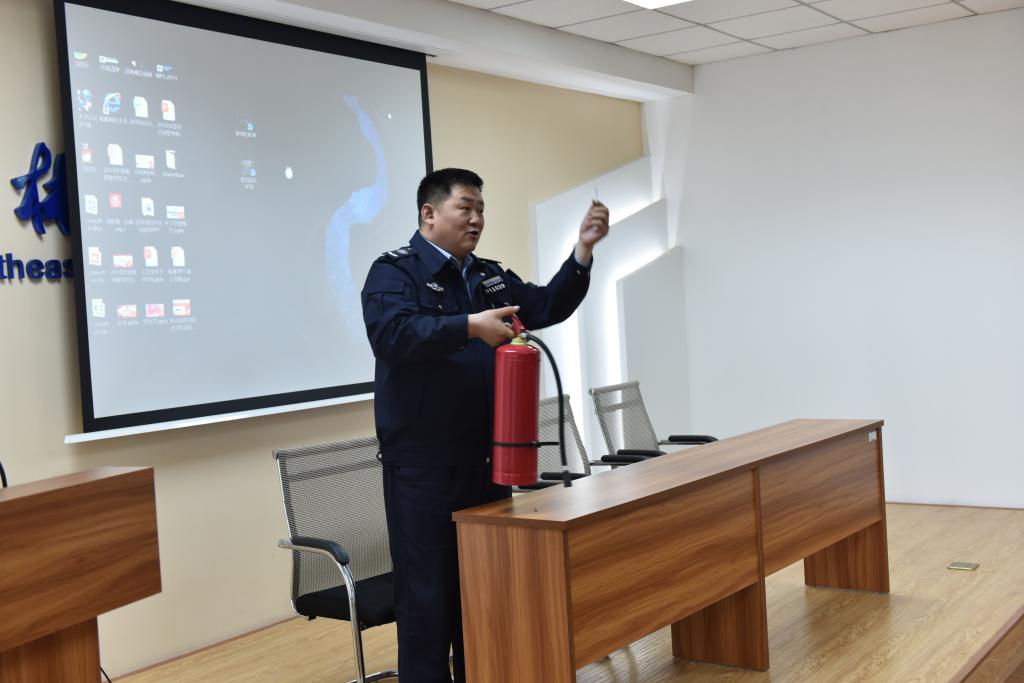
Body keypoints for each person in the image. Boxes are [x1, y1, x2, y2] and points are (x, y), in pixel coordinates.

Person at [361, 168, 609, 683]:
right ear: (430, 213)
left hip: (489, 459)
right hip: (424, 467)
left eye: (481, 210)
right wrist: (468, 326)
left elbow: (545, 304)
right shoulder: (394, 272)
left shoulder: (488, 275)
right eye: (465, 208)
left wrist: (583, 251)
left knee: (485, 594)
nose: (476, 219)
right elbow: (393, 336)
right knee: (428, 601)